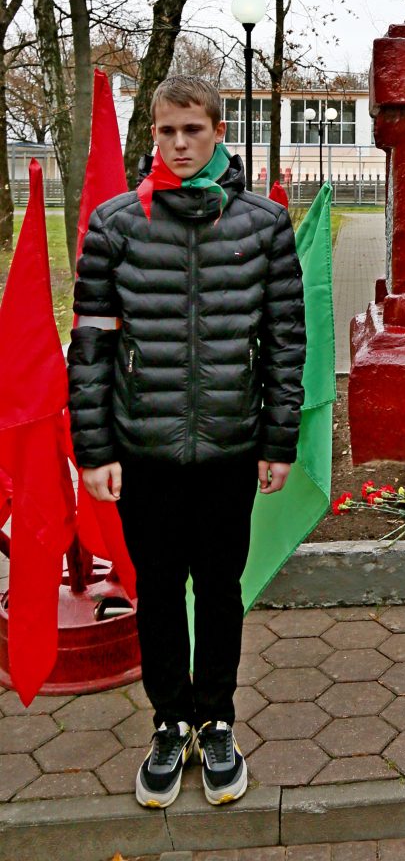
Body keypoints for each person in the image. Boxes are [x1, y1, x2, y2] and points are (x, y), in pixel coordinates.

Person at [67, 76, 306, 808]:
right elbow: (91, 346)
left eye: (192, 130)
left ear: (218, 132)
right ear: (153, 135)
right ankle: (170, 722)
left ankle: (218, 720)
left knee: (222, 589)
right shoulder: (114, 225)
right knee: (161, 590)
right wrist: (95, 451)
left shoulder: (264, 225)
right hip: (145, 451)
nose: (178, 144)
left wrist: (279, 442)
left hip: (231, 448)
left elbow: (286, 343)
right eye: (167, 131)